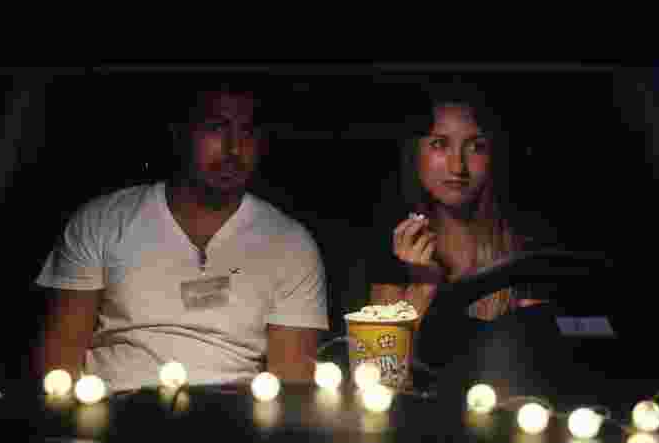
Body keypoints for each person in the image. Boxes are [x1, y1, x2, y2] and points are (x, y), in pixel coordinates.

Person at [30, 84, 329, 393]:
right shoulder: (103, 221)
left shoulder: (290, 244)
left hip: (233, 420)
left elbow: (293, 382)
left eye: (247, 132)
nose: (234, 149)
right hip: (112, 411)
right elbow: (58, 361)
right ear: (180, 134)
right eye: (217, 128)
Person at [364, 83, 563, 396]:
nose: (458, 167)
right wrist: (421, 288)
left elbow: (546, 366)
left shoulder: (526, 249)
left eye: (475, 147)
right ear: (415, 153)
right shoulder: (394, 254)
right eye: (440, 145)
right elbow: (379, 382)